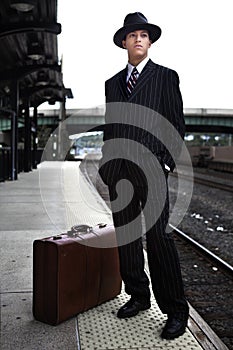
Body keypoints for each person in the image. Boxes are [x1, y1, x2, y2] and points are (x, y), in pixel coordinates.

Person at [99, 12, 189, 340]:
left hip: (152, 170)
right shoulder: (112, 84)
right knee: (127, 236)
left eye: (144, 35)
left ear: (149, 42)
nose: (139, 39)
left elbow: (176, 126)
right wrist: (107, 164)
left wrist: (164, 163)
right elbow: (111, 127)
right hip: (119, 172)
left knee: (160, 238)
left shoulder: (166, 78)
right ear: (124, 42)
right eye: (133, 35)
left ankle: (176, 310)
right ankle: (138, 295)